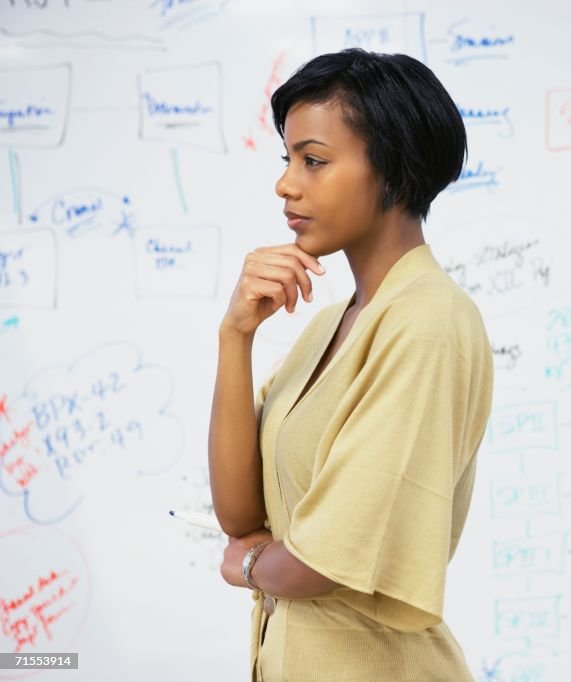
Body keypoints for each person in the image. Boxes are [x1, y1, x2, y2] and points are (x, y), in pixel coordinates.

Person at [207, 48, 493, 682]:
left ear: (391, 168)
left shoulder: (427, 321)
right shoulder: (329, 323)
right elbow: (240, 515)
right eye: (288, 160)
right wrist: (236, 336)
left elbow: (323, 561)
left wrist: (249, 566)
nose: (286, 183)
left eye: (314, 160)